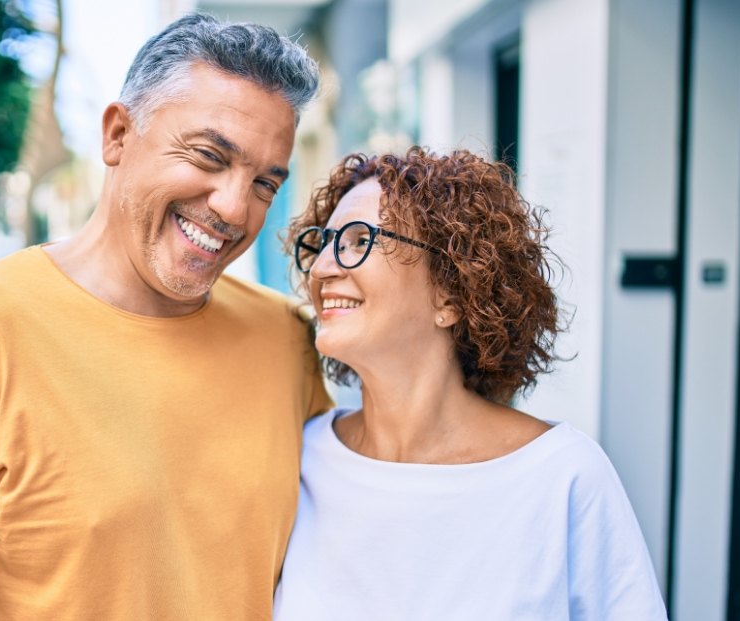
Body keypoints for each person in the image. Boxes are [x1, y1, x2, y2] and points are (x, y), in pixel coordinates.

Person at [0, 13, 331, 621]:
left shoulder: (285, 338)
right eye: (209, 157)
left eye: (265, 183)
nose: (235, 209)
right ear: (116, 135)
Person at [273, 148, 669, 620]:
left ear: (451, 292)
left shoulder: (563, 476)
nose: (320, 269)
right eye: (322, 243)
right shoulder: (301, 459)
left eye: (360, 240)